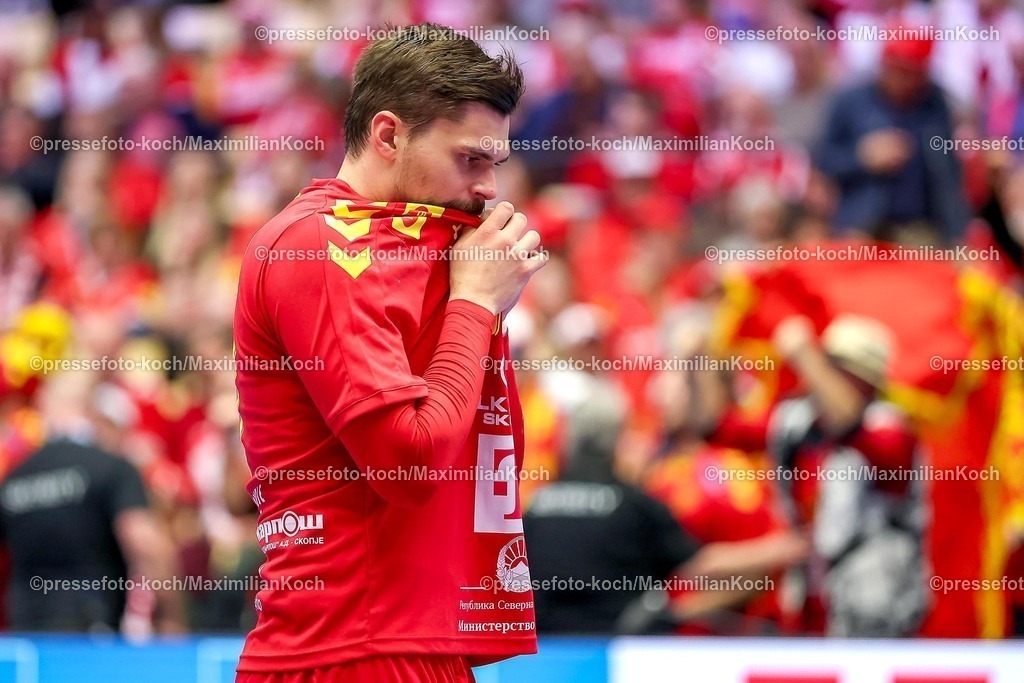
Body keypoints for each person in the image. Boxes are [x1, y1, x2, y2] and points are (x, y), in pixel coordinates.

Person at [233, 24, 546, 683]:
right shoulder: (319, 245)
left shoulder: (419, 250)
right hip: (348, 645)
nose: (490, 187)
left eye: (497, 162)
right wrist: (474, 306)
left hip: (410, 639)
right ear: (388, 135)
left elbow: (481, 456)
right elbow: (410, 462)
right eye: (470, 159)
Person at [696, 314, 926, 637]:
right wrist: (703, 354)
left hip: (876, 612)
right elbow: (719, 427)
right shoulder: (799, 422)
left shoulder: (890, 432)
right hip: (809, 606)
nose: (818, 376)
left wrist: (804, 353)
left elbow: (850, 422)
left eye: (836, 368)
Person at [0, 377, 183, 634]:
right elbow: (144, 541)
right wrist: (172, 618)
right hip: (92, 627)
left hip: (27, 629)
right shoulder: (110, 467)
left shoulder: (14, 478)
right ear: (90, 410)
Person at [816, 34, 970, 243]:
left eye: (910, 72)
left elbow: (947, 175)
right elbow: (823, 160)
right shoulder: (851, 100)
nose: (901, 79)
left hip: (919, 229)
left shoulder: (935, 104)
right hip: (861, 225)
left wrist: (957, 235)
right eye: (895, 69)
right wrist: (862, 157)